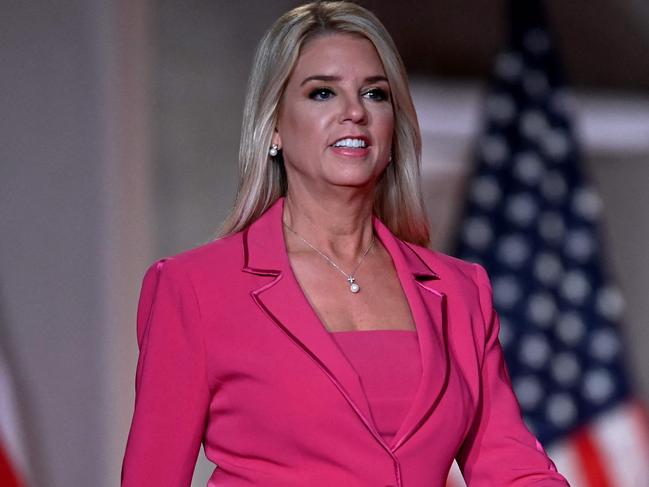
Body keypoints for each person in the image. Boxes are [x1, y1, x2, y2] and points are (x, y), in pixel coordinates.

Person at [121, 2, 570, 486]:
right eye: (322, 93)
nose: (354, 112)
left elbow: (514, 469)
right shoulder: (193, 289)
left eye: (374, 93)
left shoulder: (461, 291)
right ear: (273, 125)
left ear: (392, 126)